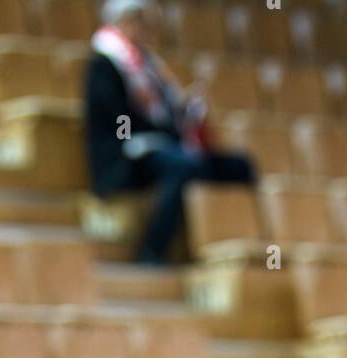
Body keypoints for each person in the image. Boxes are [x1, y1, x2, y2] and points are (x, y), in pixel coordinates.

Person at [84, 0, 256, 264]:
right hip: (124, 155)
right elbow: (119, 121)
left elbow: (166, 114)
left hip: (162, 146)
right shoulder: (104, 64)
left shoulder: (150, 66)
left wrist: (185, 112)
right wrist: (161, 132)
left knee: (239, 167)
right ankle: (152, 252)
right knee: (183, 166)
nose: (145, 27)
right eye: (139, 20)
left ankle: (230, 250)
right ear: (123, 21)